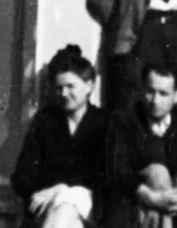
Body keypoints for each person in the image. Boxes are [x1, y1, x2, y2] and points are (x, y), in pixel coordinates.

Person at [13, 45, 113, 228]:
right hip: (50, 205)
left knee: (65, 209)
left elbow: (108, 177)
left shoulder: (105, 123)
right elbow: (22, 177)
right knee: (67, 217)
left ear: (89, 85)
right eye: (59, 88)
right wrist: (51, 192)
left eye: (70, 86)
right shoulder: (46, 121)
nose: (64, 94)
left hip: (91, 206)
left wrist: (63, 189)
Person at [107, 63, 177, 228]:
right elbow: (119, 171)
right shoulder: (125, 120)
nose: (155, 100)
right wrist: (152, 197)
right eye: (150, 92)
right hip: (141, 206)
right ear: (142, 90)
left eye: (163, 94)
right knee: (157, 172)